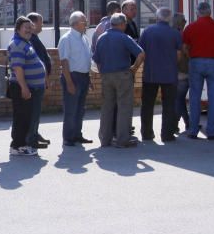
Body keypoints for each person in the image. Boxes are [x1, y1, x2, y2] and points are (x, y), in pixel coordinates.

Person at [93, 13, 145, 148]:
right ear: (122, 24)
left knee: (107, 107)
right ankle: (123, 139)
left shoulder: (101, 38)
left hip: (106, 75)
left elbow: (97, 60)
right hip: (122, 74)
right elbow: (141, 54)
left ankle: (105, 139)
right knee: (124, 107)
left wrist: (102, 73)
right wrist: (134, 69)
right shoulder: (124, 37)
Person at [182, 1, 214, 140]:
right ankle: (212, 131)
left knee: (195, 97)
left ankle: (193, 131)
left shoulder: (190, 27)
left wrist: (191, 57)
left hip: (195, 62)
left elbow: (184, 48)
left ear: (197, 13)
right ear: (210, 12)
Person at [138, 7, 182, 143]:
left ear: (157, 17)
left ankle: (147, 133)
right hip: (169, 73)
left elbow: (141, 52)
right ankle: (167, 134)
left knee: (147, 104)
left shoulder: (147, 31)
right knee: (169, 104)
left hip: (151, 73)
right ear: (169, 18)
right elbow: (179, 54)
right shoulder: (175, 33)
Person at [7, 17, 48, 156]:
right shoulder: (18, 44)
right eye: (26, 27)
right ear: (18, 29)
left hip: (30, 87)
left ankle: (23, 144)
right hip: (22, 87)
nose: (29, 30)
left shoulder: (26, 42)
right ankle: (18, 146)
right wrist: (24, 88)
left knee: (27, 117)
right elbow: (18, 69)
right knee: (22, 118)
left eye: (30, 27)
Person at [58, 11, 93, 146]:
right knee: (71, 109)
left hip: (83, 76)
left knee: (80, 108)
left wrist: (88, 78)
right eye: (84, 21)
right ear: (76, 23)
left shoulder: (84, 38)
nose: (86, 24)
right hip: (73, 76)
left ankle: (77, 134)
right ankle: (68, 137)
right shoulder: (67, 38)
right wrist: (69, 82)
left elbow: (85, 59)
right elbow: (64, 62)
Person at [26, 12, 52, 148]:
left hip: (39, 81)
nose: (42, 25)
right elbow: (38, 61)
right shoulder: (31, 40)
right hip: (35, 82)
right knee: (33, 111)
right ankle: (31, 138)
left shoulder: (35, 38)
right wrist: (45, 78)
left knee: (36, 110)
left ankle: (34, 133)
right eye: (41, 22)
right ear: (34, 24)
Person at [172, 13, 191, 135]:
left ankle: (187, 122)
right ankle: (174, 123)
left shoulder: (171, 34)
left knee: (179, 99)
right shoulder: (182, 36)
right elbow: (184, 53)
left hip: (174, 71)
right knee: (179, 99)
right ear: (181, 22)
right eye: (184, 20)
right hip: (182, 70)